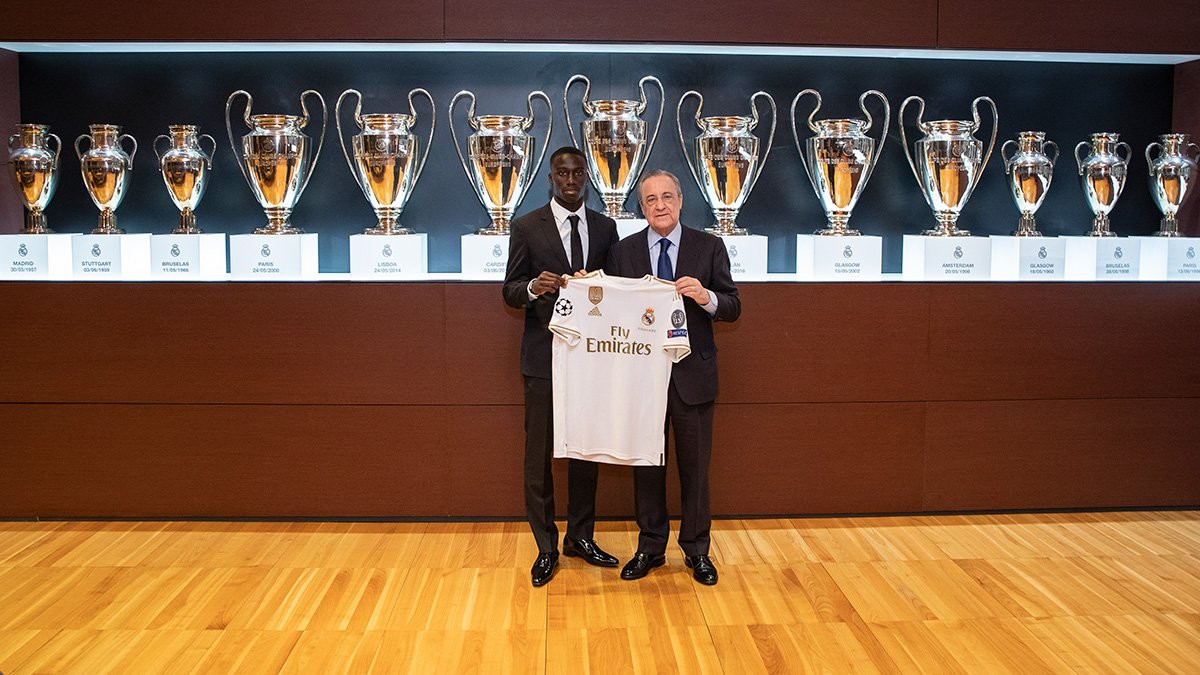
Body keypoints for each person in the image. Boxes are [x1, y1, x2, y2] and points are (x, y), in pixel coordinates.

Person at [605, 169, 740, 586]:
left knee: (696, 470)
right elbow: (611, 311)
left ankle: (697, 551)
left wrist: (706, 297)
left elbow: (733, 306)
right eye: (650, 200)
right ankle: (650, 548)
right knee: (647, 465)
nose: (660, 206)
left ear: (681, 201)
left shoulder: (709, 246)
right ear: (640, 206)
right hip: (641, 379)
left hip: (693, 378)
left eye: (667, 197)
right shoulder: (622, 252)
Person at [502, 146, 621, 586]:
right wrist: (533, 286)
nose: (570, 180)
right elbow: (510, 290)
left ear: (586, 177)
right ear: (550, 178)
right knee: (540, 455)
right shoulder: (526, 226)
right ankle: (546, 546)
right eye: (561, 174)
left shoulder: (607, 228)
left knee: (586, 448)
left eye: (577, 173)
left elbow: (619, 290)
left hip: (592, 359)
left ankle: (581, 537)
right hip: (543, 357)